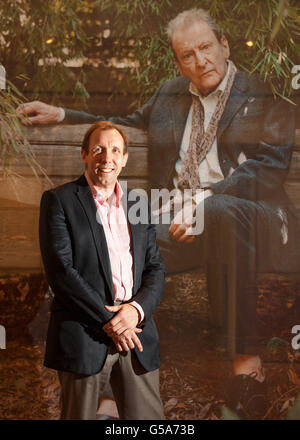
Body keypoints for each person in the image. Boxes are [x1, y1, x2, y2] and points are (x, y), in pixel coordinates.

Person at [22, 9, 299, 419]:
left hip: (254, 220)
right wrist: (64, 115)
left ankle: (246, 364)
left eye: (206, 47)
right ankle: (109, 386)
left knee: (218, 209)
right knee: (110, 248)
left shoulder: (263, 93)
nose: (199, 60)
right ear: (177, 62)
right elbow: (124, 125)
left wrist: (201, 201)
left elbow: (268, 166)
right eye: (187, 54)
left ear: (224, 45)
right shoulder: (170, 94)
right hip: (179, 221)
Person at [39, 120, 165, 420]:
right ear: (84, 154)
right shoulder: (59, 201)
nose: (106, 157)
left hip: (137, 334)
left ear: (123, 159)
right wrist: (111, 320)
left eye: (114, 150)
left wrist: (134, 311)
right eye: (98, 149)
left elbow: (155, 267)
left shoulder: (138, 202)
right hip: (85, 334)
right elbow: (62, 272)